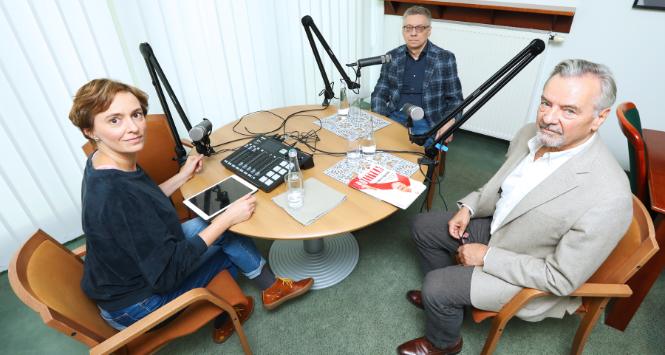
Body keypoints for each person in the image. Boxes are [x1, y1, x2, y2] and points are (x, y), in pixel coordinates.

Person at [397, 59, 633, 355]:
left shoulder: (609, 196)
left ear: (599, 118)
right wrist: (468, 208)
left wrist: (487, 257)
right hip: (505, 227)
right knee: (423, 227)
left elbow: (560, 278)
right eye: (546, 103)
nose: (548, 118)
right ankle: (447, 296)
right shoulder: (529, 134)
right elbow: (502, 187)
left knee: (437, 286)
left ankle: (444, 341)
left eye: (569, 110)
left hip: (529, 266)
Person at [68, 79, 314, 343]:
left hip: (126, 275)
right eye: (114, 120)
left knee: (215, 217)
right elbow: (166, 276)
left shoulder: (104, 160)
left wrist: (181, 176)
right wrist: (224, 221)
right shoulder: (115, 194)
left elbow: (142, 203)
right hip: (138, 304)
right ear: (89, 131)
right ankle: (260, 294)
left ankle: (255, 288)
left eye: (136, 114)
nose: (134, 128)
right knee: (227, 235)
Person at [371, 5, 463, 146]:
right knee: (378, 149)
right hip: (396, 116)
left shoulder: (445, 58)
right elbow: (380, 92)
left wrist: (450, 122)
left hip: (428, 121)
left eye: (419, 28)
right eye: (408, 28)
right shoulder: (392, 57)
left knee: (416, 159)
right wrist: (380, 120)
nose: (413, 33)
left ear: (429, 31)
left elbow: (456, 100)